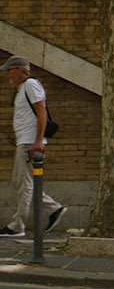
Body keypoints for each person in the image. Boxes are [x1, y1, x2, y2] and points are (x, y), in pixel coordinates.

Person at [1, 56, 65, 238]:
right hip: (25, 140)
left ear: (21, 69)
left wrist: (38, 141)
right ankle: (54, 208)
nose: (8, 74)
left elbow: (41, 111)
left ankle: (17, 226)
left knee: (25, 183)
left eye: (10, 70)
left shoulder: (30, 85)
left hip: (30, 141)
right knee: (21, 181)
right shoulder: (22, 88)